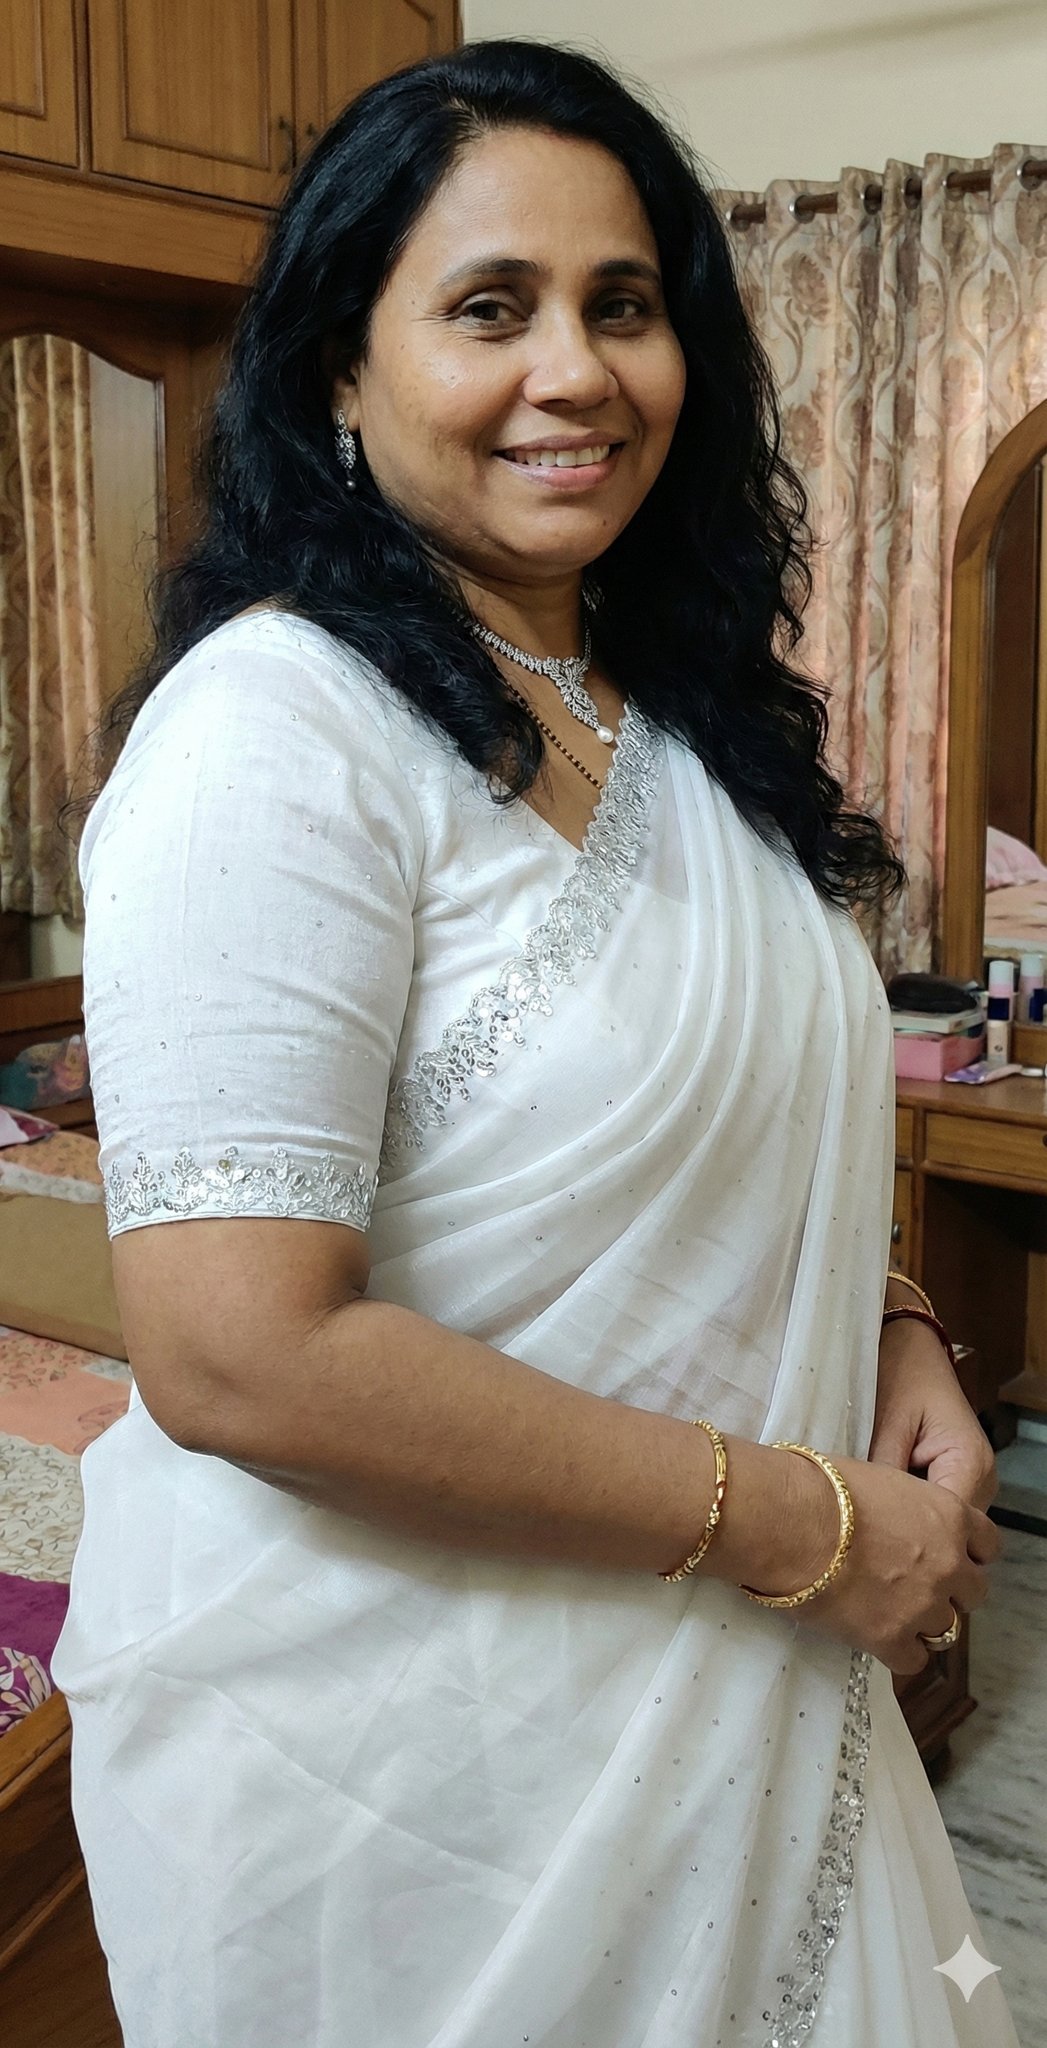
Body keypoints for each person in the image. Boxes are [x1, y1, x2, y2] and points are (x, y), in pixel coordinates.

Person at [52, 39, 1020, 2048]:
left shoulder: (677, 726)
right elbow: (237, 1346)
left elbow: (738, 1126)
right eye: (487, 307)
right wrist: (806, 1524)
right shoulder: (274, 732)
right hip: (422, 1761)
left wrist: (889, 1323)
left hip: (732, 1688)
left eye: (623, 304)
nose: (570, 370)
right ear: (338, 365)